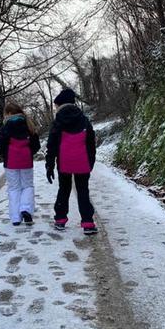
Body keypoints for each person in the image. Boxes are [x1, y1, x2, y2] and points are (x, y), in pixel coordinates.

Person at [45, 88, 98, 235]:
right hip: (82, 161)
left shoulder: (58, 121)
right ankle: (88, 222)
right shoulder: (84, 119)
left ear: (60, 105)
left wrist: (49, 164)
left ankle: (60, 219)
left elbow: (52, 144)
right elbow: (91, 142)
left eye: (56, 105)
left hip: (64, 162)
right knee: (83, 190)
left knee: (64, 189)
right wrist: (91, 160)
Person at [0, 102, 41, 226]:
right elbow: (36, 145)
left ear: (8, 113)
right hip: (26, 161)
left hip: (11, 162)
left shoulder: (6, 126)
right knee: (28, 186)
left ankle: (15, 217)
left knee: (13, 188)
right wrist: (29, 153)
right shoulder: (29, 125)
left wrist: (6, 153)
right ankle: (26, 209)